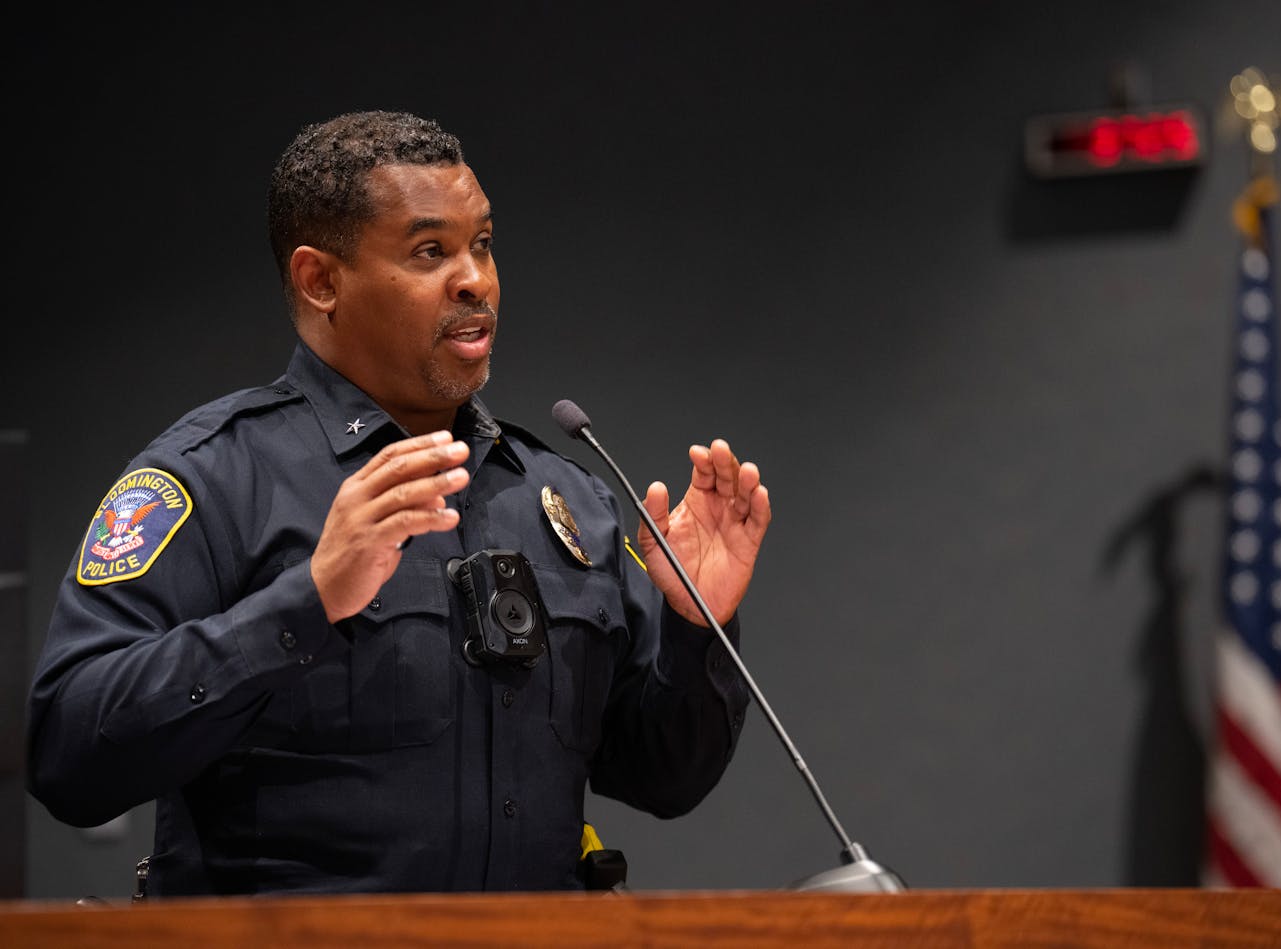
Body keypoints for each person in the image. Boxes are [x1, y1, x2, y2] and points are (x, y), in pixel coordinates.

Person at [25, 110, 771, 895]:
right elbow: (69, 753)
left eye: (481, 244)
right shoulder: (214, 478)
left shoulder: (562, 498)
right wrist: (305, 604)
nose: (474, 279)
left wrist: (699, 631)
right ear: (321, 281)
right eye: (429, 251)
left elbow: (663, 776)